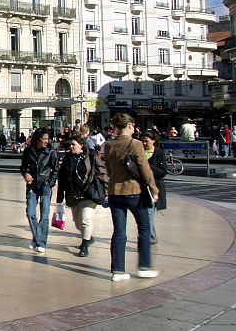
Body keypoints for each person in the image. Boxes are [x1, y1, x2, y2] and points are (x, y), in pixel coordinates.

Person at [104, 113, 160, 282]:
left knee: (119, 232)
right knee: (144, 228)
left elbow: (108, 170)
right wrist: (153, 189)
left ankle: (118, 270)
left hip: (115, 192)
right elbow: (144, 169)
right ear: (129, 126)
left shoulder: (108, 145)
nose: (135, 130)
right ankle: (144, 266)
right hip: (134, 191)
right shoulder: (135, 144)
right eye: (134, 127)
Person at [56, 136, 108, 257]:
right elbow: (62, 179)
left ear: (81, 146)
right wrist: (60, 198)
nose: (71, 147)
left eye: (74, 144)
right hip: (74, 195)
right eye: (70, 145)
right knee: (77, 222)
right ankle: (88, 237)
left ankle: (84, 245)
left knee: (85, 219)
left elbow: (102, 172)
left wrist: (105, 189)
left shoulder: (91, 157)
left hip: (89, 194)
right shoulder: (67, 159)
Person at [20, 127, 59, 253]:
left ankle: (41, 242)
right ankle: (37, 238)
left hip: (45, 186)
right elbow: (23, 167)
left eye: (48, 139)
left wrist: (50, 182)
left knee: (45, 214)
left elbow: (56, 169)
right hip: (32, 185)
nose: (46, 141)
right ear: (37, 139)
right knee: (30, 213)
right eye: (44, 138)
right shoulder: (28, 151)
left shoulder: (50, 151)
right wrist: (26, 174)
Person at [141, 130, 168, 244]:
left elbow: (162, 172)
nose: (144, 144)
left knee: (148, 213)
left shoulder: (159, 153)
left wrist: (148, 166)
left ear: (153, 141)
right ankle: (150, 235)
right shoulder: (140, 152)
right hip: (140, 186)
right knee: (144, 214)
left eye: (146, 141)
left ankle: (150, 237)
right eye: (143, 141)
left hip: (153, 187)